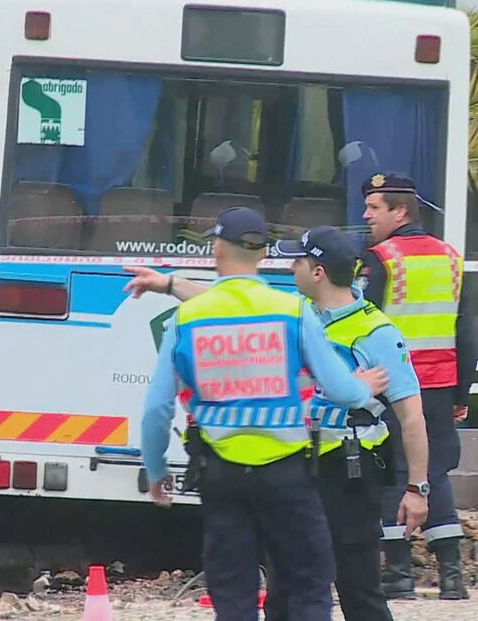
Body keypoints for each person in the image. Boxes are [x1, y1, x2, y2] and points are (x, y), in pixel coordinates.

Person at [137, 207, 387, 620]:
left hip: (221, 474)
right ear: (263, 253)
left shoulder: (188, 316)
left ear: (217, 249)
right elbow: (341, 389)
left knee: (233, 592)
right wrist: (365, 388)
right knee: (308, 581)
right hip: (287, 473)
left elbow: (157, 408)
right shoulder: (290, 310)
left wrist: (155, 468)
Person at [262, 226, 429, 621]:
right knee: (284, 588)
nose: (291, 268)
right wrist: (168, 284)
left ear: (318, 272)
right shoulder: (295, 314)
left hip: (351, 474)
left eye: (298, 261)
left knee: (358, 588)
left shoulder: (377, 333)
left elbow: (411, 415)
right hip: (296, 465)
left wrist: (417, 489)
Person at [358, 172, 476, 600]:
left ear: (400, 210)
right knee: (435, 473)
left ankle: (399, 577)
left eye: (375, 207)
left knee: (394, 472)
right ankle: (451, 577)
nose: (366, 215)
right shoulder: (449, 257)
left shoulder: (380, 258)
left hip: (392, 384)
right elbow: (465, 331)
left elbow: (361, 322)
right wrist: (462, 392)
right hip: (441, 384)